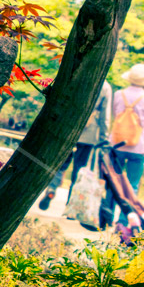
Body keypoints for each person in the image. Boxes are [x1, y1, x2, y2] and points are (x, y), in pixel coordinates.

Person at [39, 80, 112, 211]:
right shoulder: (105, 87)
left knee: (60, 164)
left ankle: (52, 187)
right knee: (79, 168)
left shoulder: (81, 77)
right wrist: (103, 138)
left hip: (69, 128)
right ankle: (70, 204)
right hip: (89, 135)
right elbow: (104, 116)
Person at [103, 63, 144, 225]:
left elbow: (115, 115)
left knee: (113, 182)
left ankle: (106, 217)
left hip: (117, 144)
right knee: (132, 185)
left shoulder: (119, 94)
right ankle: (124, 220)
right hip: (139, 146)